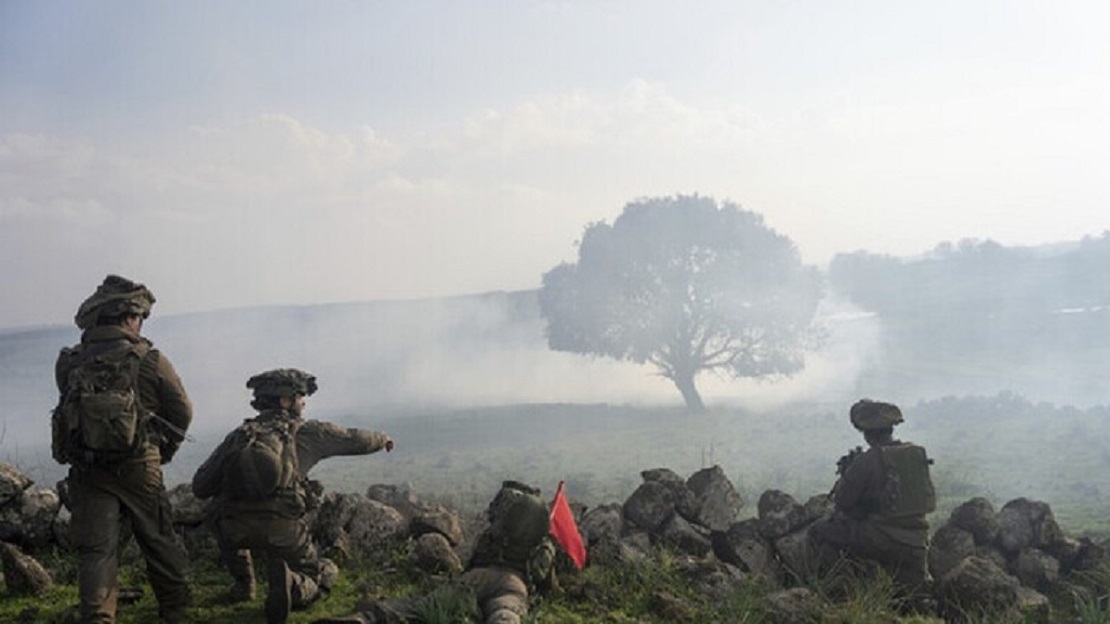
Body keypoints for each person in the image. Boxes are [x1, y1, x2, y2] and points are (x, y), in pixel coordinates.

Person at [192, 367, 395, 624]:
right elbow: (354, 439)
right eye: (300, 397)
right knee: (322, 571)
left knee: (220, 512)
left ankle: (244, 585)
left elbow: (201, 487)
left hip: (234, 532)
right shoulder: (307, 432)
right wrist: (383, 439)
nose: (303, 402)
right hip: (283, 532)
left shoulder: (238, 436)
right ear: (285, 400)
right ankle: (295, 586)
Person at [52, 274, 194, 624]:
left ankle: (98, 616)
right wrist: (165, 450)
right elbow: (182, 411)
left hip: (88, 470)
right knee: (158, 537)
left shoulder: (70, 361)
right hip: (139, 465)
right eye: (139, 317)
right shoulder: (149, 359)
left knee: (97, 551)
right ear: (129, 317)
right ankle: (175, 610)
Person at [314, 480, 559, 624]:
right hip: (514, 586)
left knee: (419, 607)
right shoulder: (543, 546)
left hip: (477, 577)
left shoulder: (491, 536)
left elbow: (473, 563)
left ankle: (364, 620)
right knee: (505, 613)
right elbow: (545, 583)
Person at [809, 399, 936, 600]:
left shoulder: (867, 460)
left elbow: (843, 502)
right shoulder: (914, 454)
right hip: (918, 541)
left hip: (882, 538)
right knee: (915, 599)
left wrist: (848, 473)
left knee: (819, 531)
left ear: (866, 433)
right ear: (890, 429)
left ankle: (844, 595)